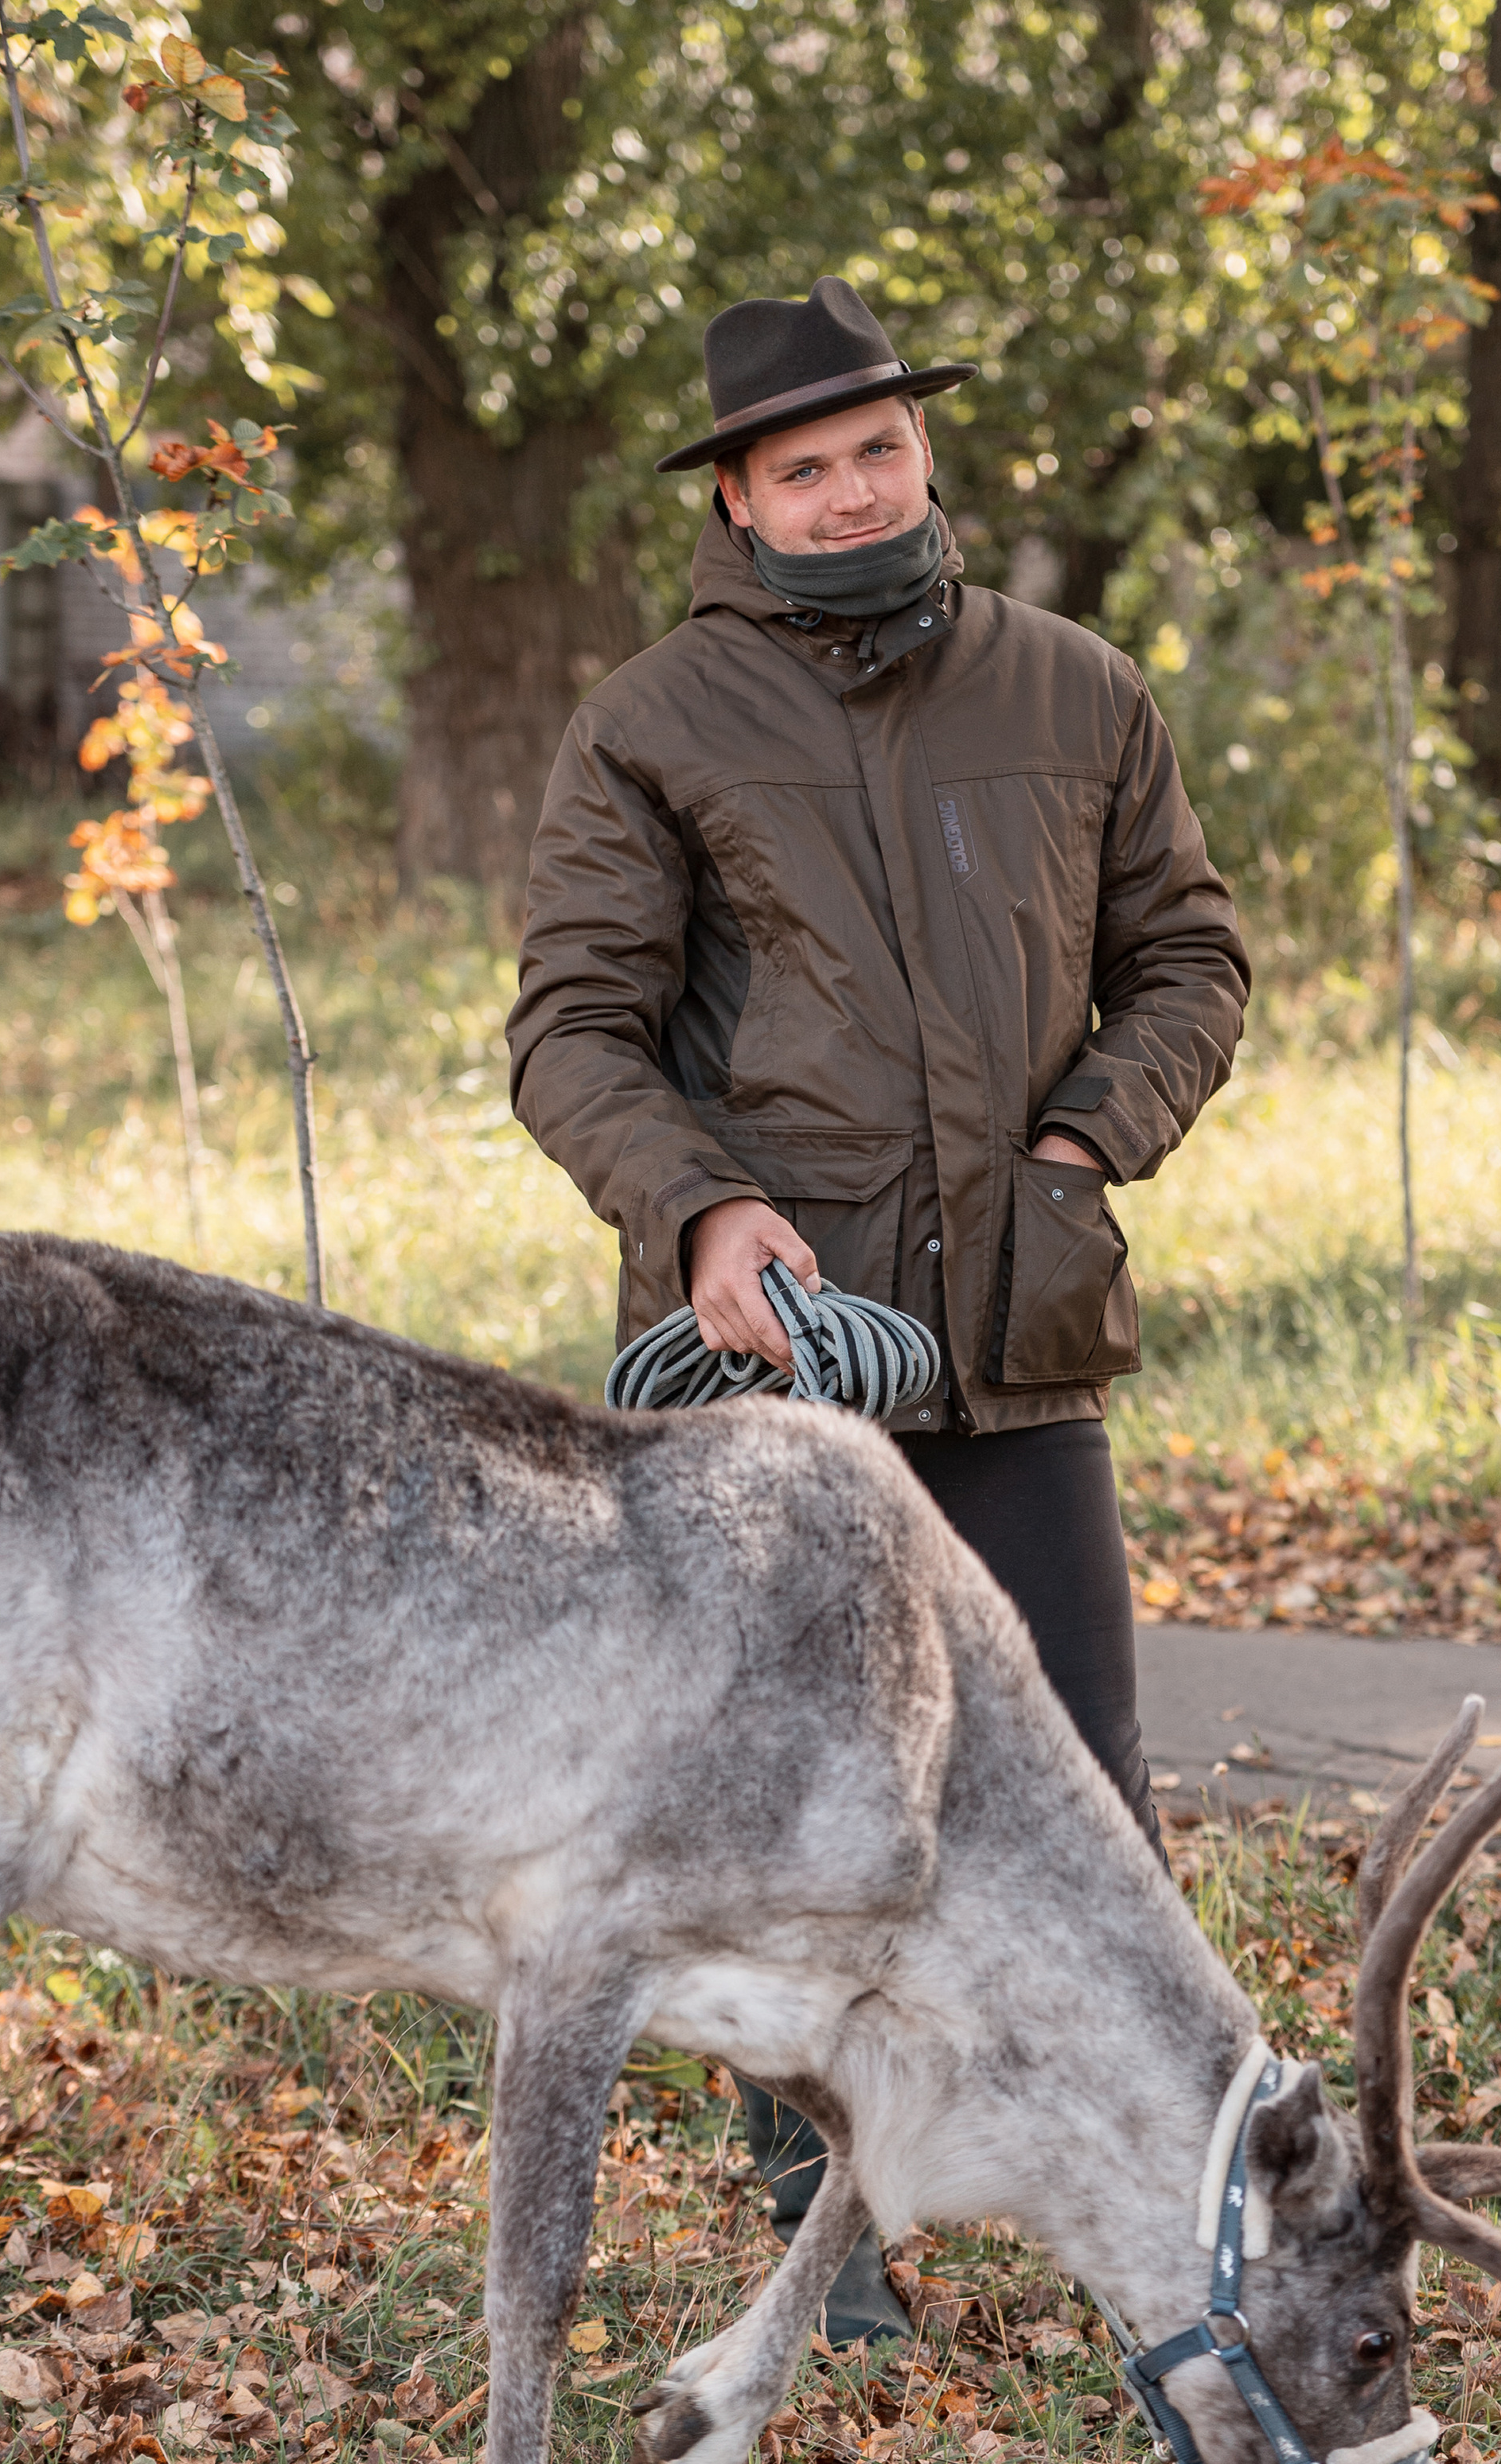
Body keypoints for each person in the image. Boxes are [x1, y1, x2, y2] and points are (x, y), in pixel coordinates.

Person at [507, 275, 1249, 2344]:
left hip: (1019, 1351)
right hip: (778, 1371)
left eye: (880, 452)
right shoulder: (652, 723)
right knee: (803, 1805)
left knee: (1086, 1791)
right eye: (805, 466)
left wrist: (1086, 1150)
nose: (853, 492)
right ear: (739, 498)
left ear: (927, 455)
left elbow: (1189, 957)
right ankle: (822, 2222)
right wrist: (703, 1213)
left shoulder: (1077, 690)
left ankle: (1155, 2207)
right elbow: (573, 1033)